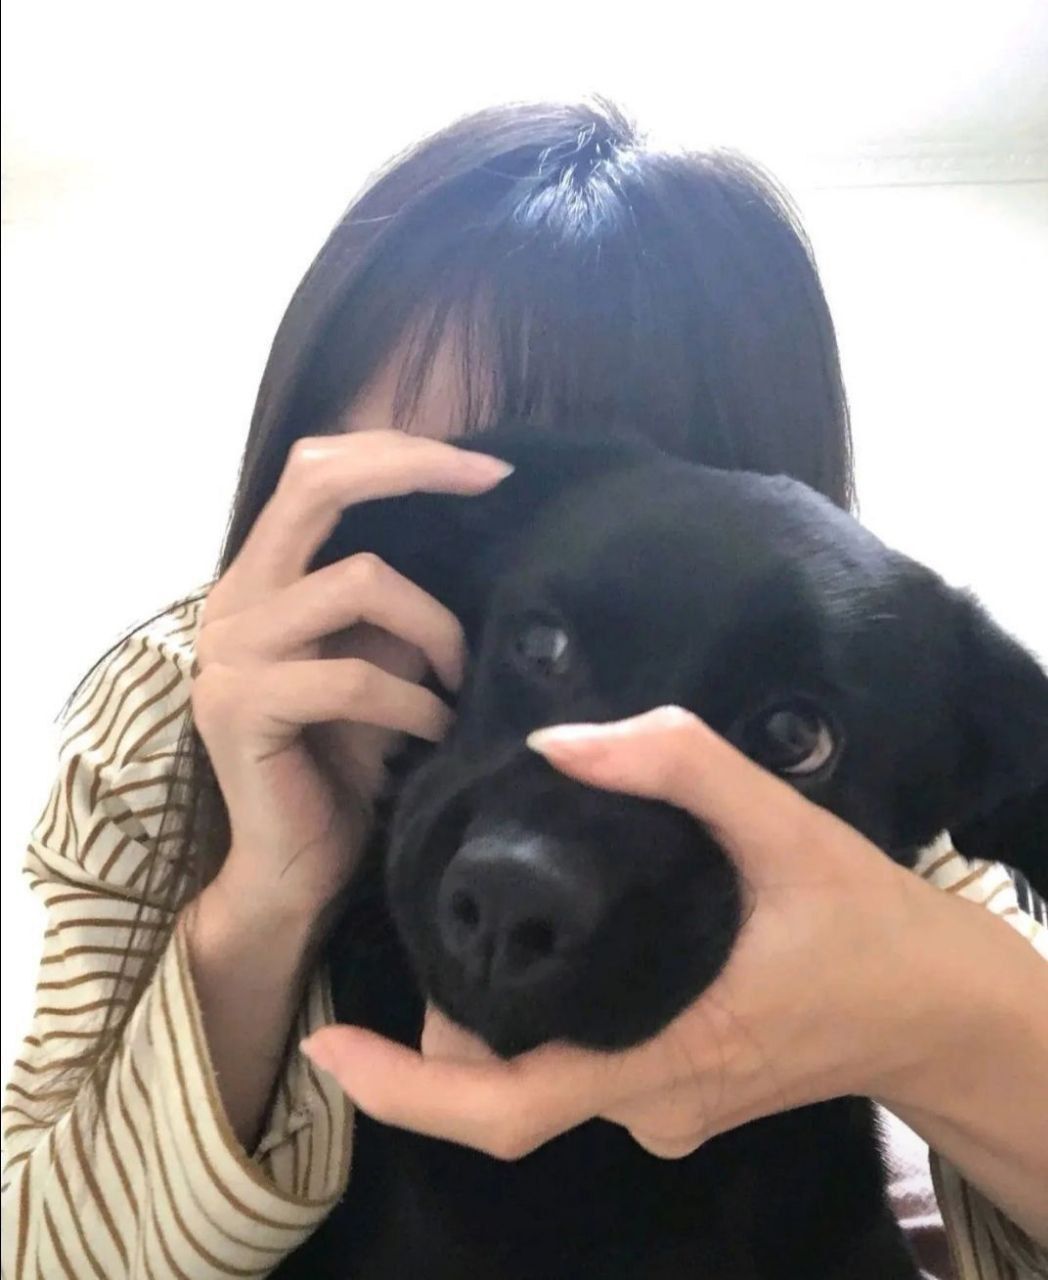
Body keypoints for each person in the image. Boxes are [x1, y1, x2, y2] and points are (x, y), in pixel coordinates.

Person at [2, 99, 1045, 1280]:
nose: (437, 598)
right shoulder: (163, 714)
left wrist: (949, 1024)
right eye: (404, 510)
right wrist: (262, 900)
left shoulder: (870, 770)